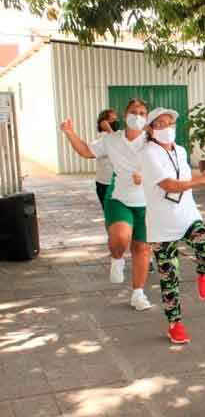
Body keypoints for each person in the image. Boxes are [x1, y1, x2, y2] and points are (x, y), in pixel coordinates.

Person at [60, 99, 153, 311]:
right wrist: (69, 132)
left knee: (142, 248)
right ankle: (117, 257)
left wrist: (146, 176)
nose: (137, 116)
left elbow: (166, 166)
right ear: (124, 114)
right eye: (133, 111)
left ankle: (138, 293)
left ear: (146, 118)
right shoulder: (112, 140)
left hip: (147, 201)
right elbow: (85, 151)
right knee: (121, 238)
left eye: (142, 112)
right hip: (119, 197)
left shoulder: (152, 141)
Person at [141, 107, 205, 345]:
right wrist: (200, 181)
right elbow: (169, 185)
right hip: (161, 224)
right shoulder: (148, 153)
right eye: (160, 125)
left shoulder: (180, 150)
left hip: (186, 215)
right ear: (150, 130)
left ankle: (203, 273)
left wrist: (204, 176)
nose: (167, 129)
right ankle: (175, 325)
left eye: (170, 124)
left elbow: (183, 174)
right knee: (168, 276)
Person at [94, 109, 117, 209]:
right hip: (106, 183)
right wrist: (108, 129)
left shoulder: (117, 135)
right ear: (104, 123)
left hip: (116, 182)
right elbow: (115, 146)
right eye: (112, 120)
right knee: (111, 214)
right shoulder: (102, 139)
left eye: (116, 119)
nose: (116, 122)